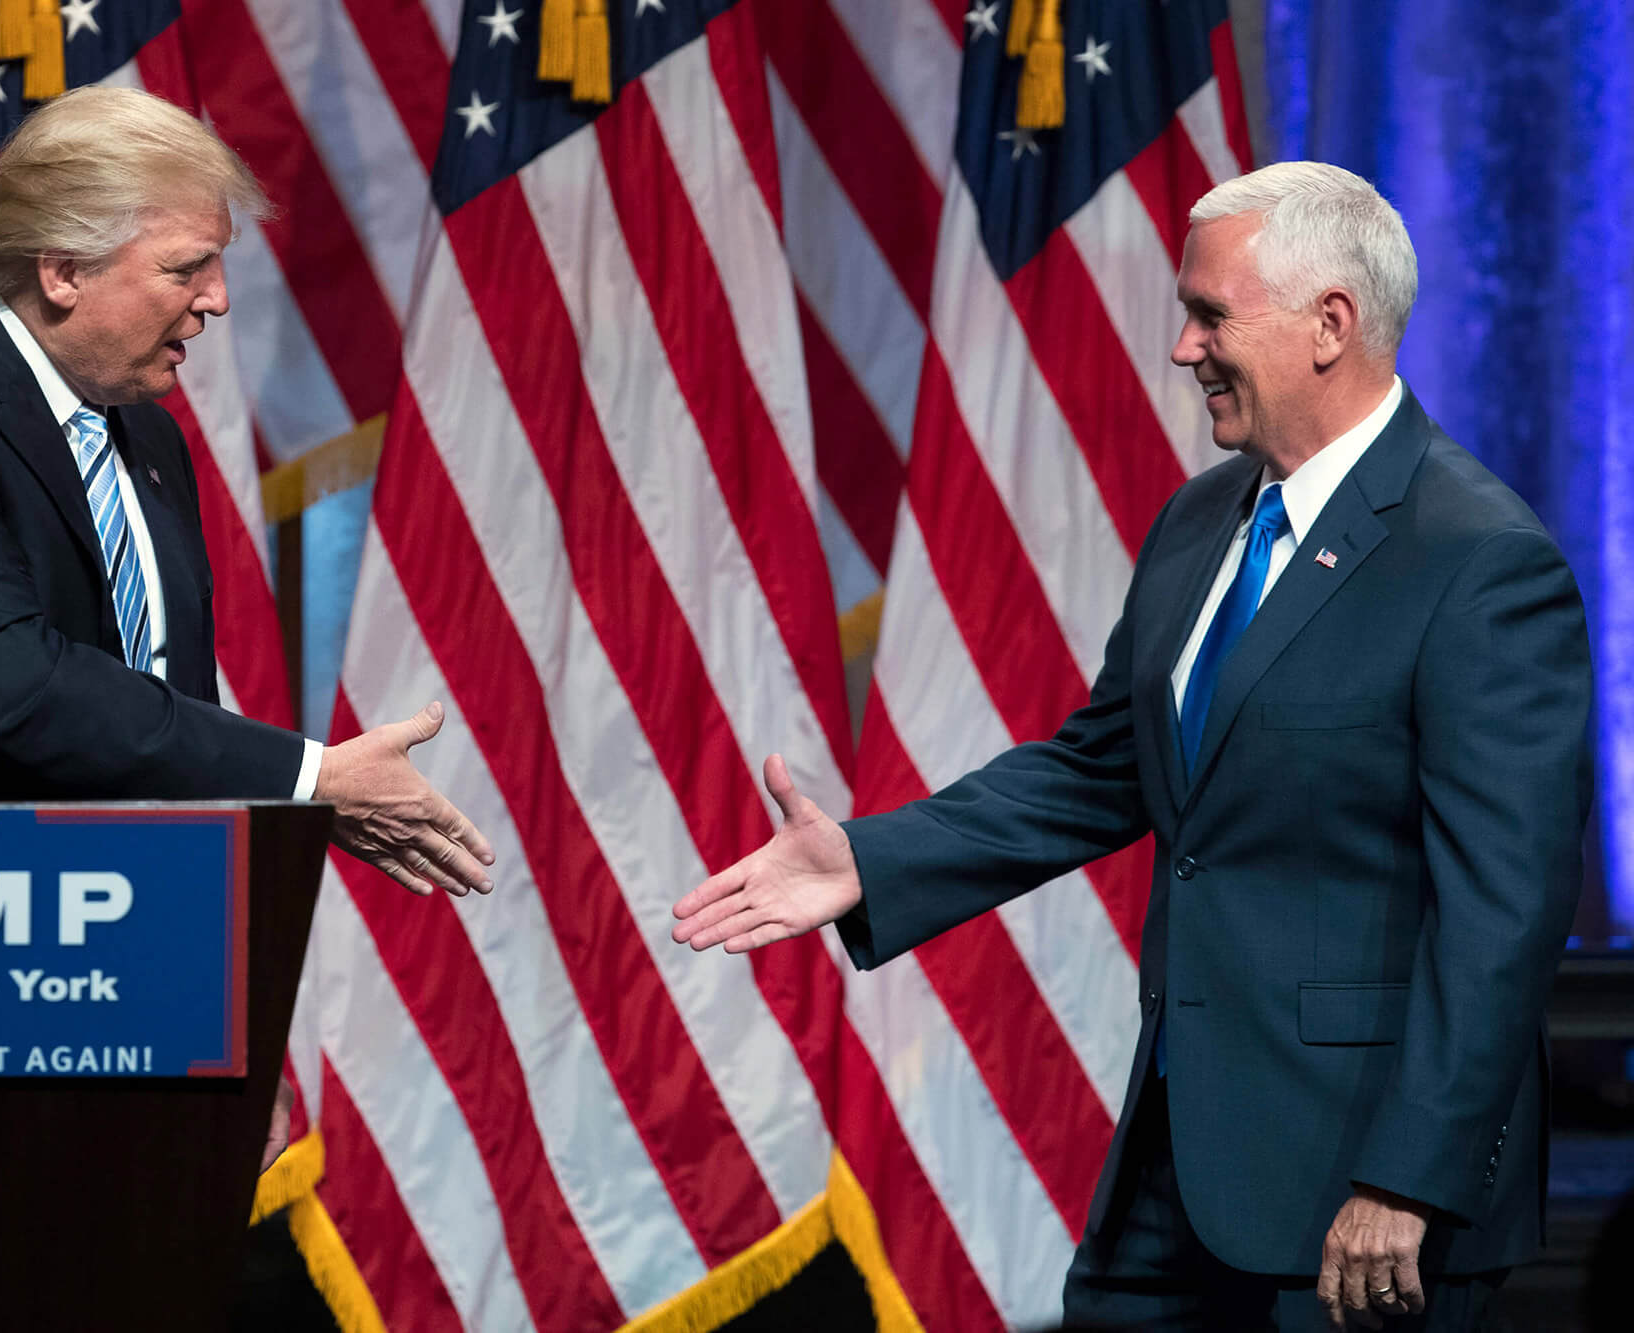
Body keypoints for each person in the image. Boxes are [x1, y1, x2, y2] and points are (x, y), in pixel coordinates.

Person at [673, 162, 1591, 1330]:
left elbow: (1501, 911)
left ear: (1329, 324)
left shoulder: (1475, 562)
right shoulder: (1201, 519)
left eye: (1209, 314)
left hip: (1357, 1197)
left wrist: (1405, 1174)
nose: (1181, 348)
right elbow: (1103, 765)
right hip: (1173, 1169)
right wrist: (871, 858)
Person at [0, 86, 491, 900]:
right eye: (187, 267)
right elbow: (12, 684)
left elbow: (160, 694)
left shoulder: (140, 427)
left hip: (101, 925)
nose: (217, 298)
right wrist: (309, 775)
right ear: (62, 272)